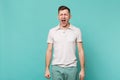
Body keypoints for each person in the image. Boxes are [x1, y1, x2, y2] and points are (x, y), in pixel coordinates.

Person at [45, 5, 85, 80]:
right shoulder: (52, 31)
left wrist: (82, 69)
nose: (63, 17)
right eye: (61, 14)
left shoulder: (77, 31)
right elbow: (49, 50)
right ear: (58, 16)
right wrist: (47, 68)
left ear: (70, 16)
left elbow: (80, 51)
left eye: (65, 14)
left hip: (72, 68)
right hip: (56, 68)